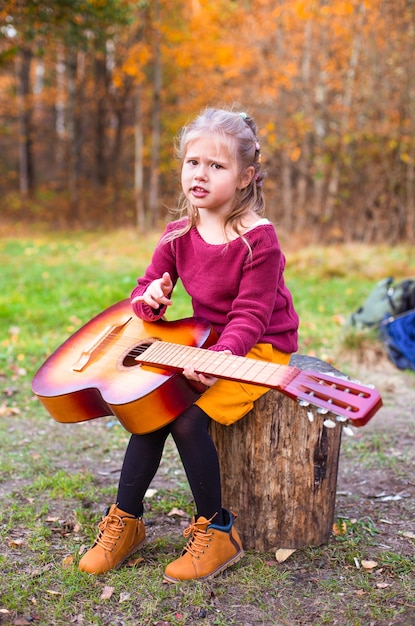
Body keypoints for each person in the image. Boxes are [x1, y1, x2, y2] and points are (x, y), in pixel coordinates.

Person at [78, 107, 299, 581]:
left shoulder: (258, 240)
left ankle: (218, 531)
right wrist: (150, 300)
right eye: (192, 162)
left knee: (187, 421)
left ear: (246, 177)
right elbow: (143, 293)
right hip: (201, 342)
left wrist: (223, 358)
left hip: (258, 347)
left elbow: (252, 314)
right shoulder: (178, 234)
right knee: (149, 412)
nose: (200, 174)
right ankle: (126, 522)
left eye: (216, 166)